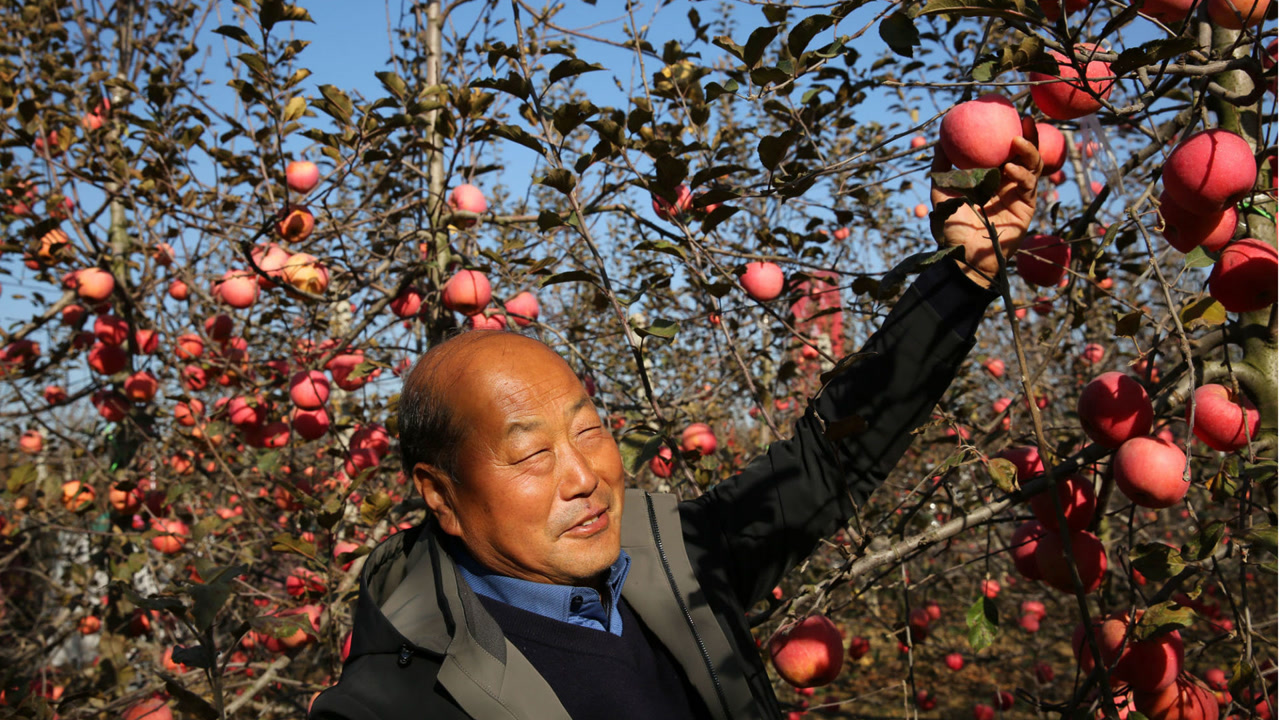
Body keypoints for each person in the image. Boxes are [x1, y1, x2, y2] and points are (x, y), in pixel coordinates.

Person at [308, 137, 1043, 720]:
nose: (584, 476)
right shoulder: (399, 701)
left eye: (589, 431)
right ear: (439, 495)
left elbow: (825, 464)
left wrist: (964, 276)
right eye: (531, 452)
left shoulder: (669, 559)